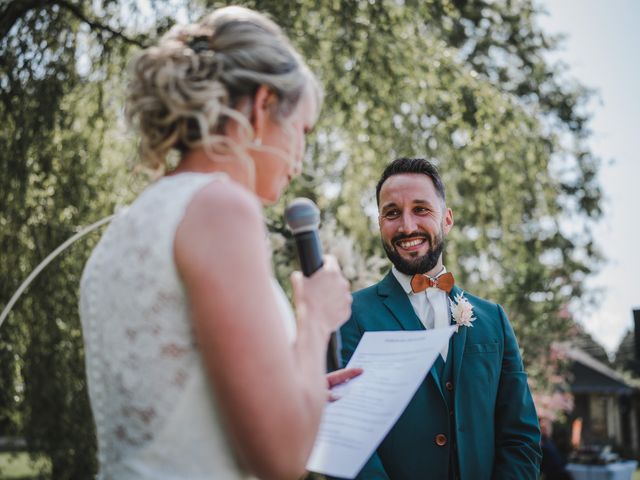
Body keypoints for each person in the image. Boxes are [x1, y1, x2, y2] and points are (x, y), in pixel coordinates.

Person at [79, 6, 358, 480]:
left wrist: (301, 382)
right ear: (262, 104)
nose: (301, 155)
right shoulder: (222, 209)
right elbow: (281, 460)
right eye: (303, 130)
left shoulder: (130, 222)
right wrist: (316, 320)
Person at [339, 157, 542, 479]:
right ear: (380, 224)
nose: (407, 226)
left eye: (421, 209)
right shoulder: (349, 315)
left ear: (447, 220)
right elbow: (347, 439)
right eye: (392, 213)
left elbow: (521, 436)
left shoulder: (494, 320)